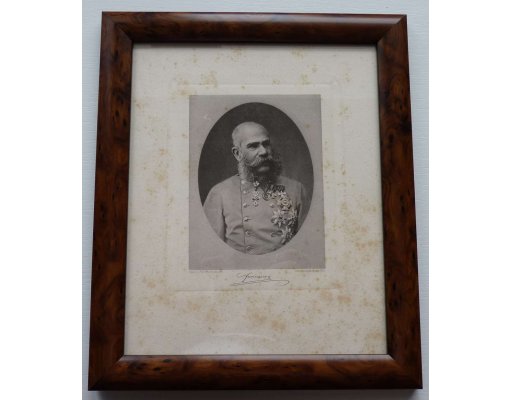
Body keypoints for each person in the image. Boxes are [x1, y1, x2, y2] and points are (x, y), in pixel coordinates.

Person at [203, 121, 307, 255]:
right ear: (237, 153)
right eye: (253, 146)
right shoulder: (219, 193)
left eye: (266, 144)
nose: (264, 152)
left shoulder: (297, 189)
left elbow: (306, 244)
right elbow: (212, 250)